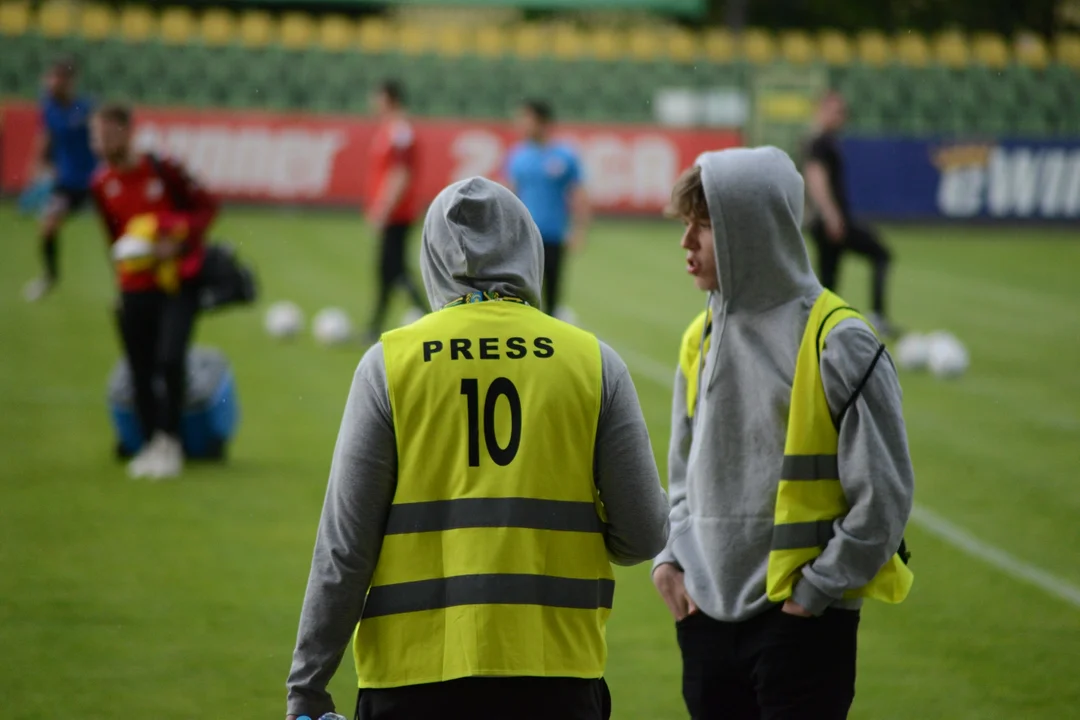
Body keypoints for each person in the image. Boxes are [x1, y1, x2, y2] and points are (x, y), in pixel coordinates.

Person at [286, 177, 669, 720]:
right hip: (556, 676)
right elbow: (643, 536)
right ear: (527, 246)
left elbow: (345, 549)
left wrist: (308, 684)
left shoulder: (389, 365)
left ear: (433, 259)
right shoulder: (592, 363)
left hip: (411, 679)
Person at [652, 149, 914, 720]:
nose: (686, 242)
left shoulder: (839, 340)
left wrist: (813, 594)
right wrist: (670, 559)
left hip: (801, 625)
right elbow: (680, 479)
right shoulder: (699, 337)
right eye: (685, 224)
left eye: (704, 224)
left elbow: (885, 496)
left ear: (751, 228)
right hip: (704, 620)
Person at [89, 103, 219, 480]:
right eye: (96, 135)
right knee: (140, 368)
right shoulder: (101, 184)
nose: (100, 142)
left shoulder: (164, 169)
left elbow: (206, 210)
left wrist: (174, 237)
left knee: (170, 358)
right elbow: (113, 238)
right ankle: (150, 444)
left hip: (176, 282)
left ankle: (172, 442)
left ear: (128, 132)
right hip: (133, 288)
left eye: (107, 133)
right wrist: (119, 282)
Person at [803, 91, 897, 336]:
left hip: (824, 221)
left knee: (828, 280)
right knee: (880, 255)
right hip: (829, 221)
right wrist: (831, 215)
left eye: (843, 112)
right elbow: (816, 179)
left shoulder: (824, 141)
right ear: (822, 111)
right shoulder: (820, 143)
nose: (842, 117)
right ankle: (875, 315)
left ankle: (819, 325)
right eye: (836, 111)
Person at [505, 99, 590, 316]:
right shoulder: (518, 156)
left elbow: (579, 195)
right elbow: (509, 195)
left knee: (552, 291)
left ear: (541, 121)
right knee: (523, 291)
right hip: (524, 236)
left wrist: (579, 231)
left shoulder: (564, 155)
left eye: (526, 119)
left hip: (553, 234)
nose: (521, 124)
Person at [22, 57, 98, 302]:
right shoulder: (49, 109)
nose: (52, 83)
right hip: (67, 183)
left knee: (119, 229)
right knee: (47, 228)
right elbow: (45, 138)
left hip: (95, 181)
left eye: (58, 79)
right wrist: (38, 167)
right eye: (51, 77)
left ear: (69, 82)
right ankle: (50, 276)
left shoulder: (84, 108)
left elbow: (101, 138)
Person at [363, 79, 426, 342]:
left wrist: (383, 208)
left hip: (398, 213)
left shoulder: (399, 131)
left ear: (388, 99)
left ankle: (429, 315)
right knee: (389, 271)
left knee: (394, 270)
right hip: (395, 211)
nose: (372, 102)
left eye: (376, 97)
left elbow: (400, 173)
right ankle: (374, 326)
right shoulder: (390, 129)